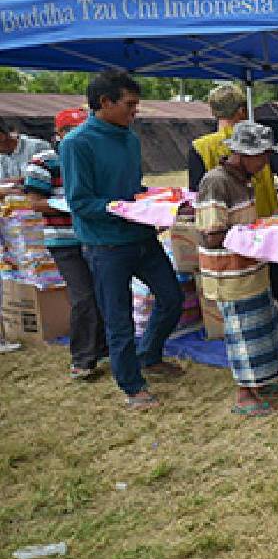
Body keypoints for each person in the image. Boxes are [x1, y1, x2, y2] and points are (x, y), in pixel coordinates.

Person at [61, 71, 184, 410]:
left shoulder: (129, 138)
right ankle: (132, 385)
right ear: (105, 103)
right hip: (107, 245)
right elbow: (80, 202)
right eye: (130, 105)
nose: (135, 112)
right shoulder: (76, 144)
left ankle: (150, 355)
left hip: (142, 237)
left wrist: (158, 200)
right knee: (119, 319)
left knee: (172, 299)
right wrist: (123, 208)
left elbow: (132, 188)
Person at [188, 83, 278, 355]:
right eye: (261, 158)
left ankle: (271, 357)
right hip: (243, 246)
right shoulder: (253, 144)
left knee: (259, 308)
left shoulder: (201, 148)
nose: (264, 163)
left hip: (255, 232)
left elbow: (195, 199)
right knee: (273, 297)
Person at [196, 122, 278, 416]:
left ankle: (261, 380)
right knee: (242, 335)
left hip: (250, 269)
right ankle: (244, 393)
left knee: (261, 326)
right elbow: (212, 234)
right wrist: (257, 234)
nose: (265, 164)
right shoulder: (216, 182)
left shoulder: (242, 179)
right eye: (261, 157)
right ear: (241, 154)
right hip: (229, 273)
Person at [22, 107, 107, 379]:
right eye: (71, 131)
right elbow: (35, 202)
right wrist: (69, 207)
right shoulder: (44, 161)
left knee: (104, 292)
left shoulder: (94, 155)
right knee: (83, 295)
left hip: (94, 236)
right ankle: (82, 359)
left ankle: (103, 347)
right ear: (58, 135)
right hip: (64, 240)